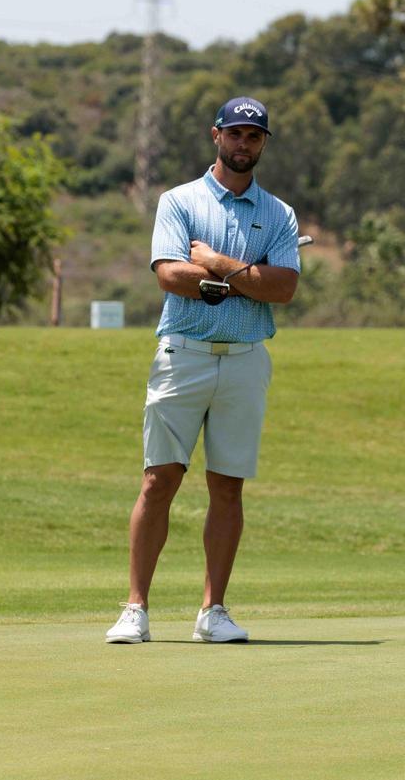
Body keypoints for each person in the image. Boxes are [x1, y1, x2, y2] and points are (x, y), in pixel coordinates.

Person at [106, 96, 301, 644]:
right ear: (215, 135)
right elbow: (169, 274)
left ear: (263, 143)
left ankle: (213, 612)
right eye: (235, 133)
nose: (244, 144)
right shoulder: (179, 200)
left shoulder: (279, 214)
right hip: (182, 356)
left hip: (245, 361)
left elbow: (283, 289)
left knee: (228, 487)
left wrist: (217, 266)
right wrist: (246, 277)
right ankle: (135, 608)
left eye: (254, 136)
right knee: (158, 479)